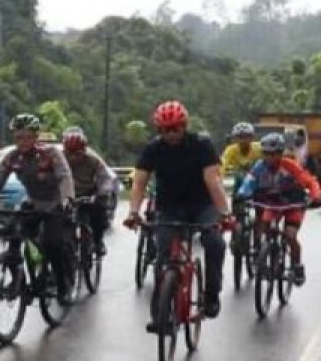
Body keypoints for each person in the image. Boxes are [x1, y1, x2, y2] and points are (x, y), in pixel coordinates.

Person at [124, 100, 233, 323]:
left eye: (175, 128)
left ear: (184, 126)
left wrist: (225, 213)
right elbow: (139, 183)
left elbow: (213, 181)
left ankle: (211, 294)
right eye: (164, 130)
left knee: (215, 242)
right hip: (170, 207)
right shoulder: (153, 148)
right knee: (163, 254)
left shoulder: (202, 145)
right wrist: (133, 213)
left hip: (203, 205)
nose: (170, 134)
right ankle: (161, 306)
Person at [0, 113, 76, 305]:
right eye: (18, 137)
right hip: (32, 201)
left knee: (52, 243)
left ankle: (63, 286)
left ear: (35, 136)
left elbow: (64, 176)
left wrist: (67, 199)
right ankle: (16, 279)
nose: (23, 141)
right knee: (13, 234)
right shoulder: (12, 157)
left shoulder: (50, 154)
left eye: (27, 137)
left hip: (54, 203)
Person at [236, 132, 321, 285]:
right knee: (263, 226)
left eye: (272, 153)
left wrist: (316, 195)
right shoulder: (259, 167)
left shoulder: (291, 166)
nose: (268, 157)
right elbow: (249, 182)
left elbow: (310, 181)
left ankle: (297, 265)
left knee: (289, 235)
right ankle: (266, 254)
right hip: (272, 204)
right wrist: (242, 194)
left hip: (292, 205)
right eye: (265, 153)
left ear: (280, 153)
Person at [61, 126, 117, 256]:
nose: (74, 157)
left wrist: (103, 192)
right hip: (65, 196)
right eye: (70, 153)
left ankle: (98, 241)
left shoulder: (93, 159)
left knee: (99, 214)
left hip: (88, 195)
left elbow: (105, 177)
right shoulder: (58, 159)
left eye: (78, 153)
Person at [221, 122, 261, 200]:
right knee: (235, 181)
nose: (242, 140)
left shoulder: (259, 148)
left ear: (251, 137)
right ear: (235, 138)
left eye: (246, 137)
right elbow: (222, 167)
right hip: (239, 180)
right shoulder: (230, 150)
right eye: (239, 137)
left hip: (257, 179)